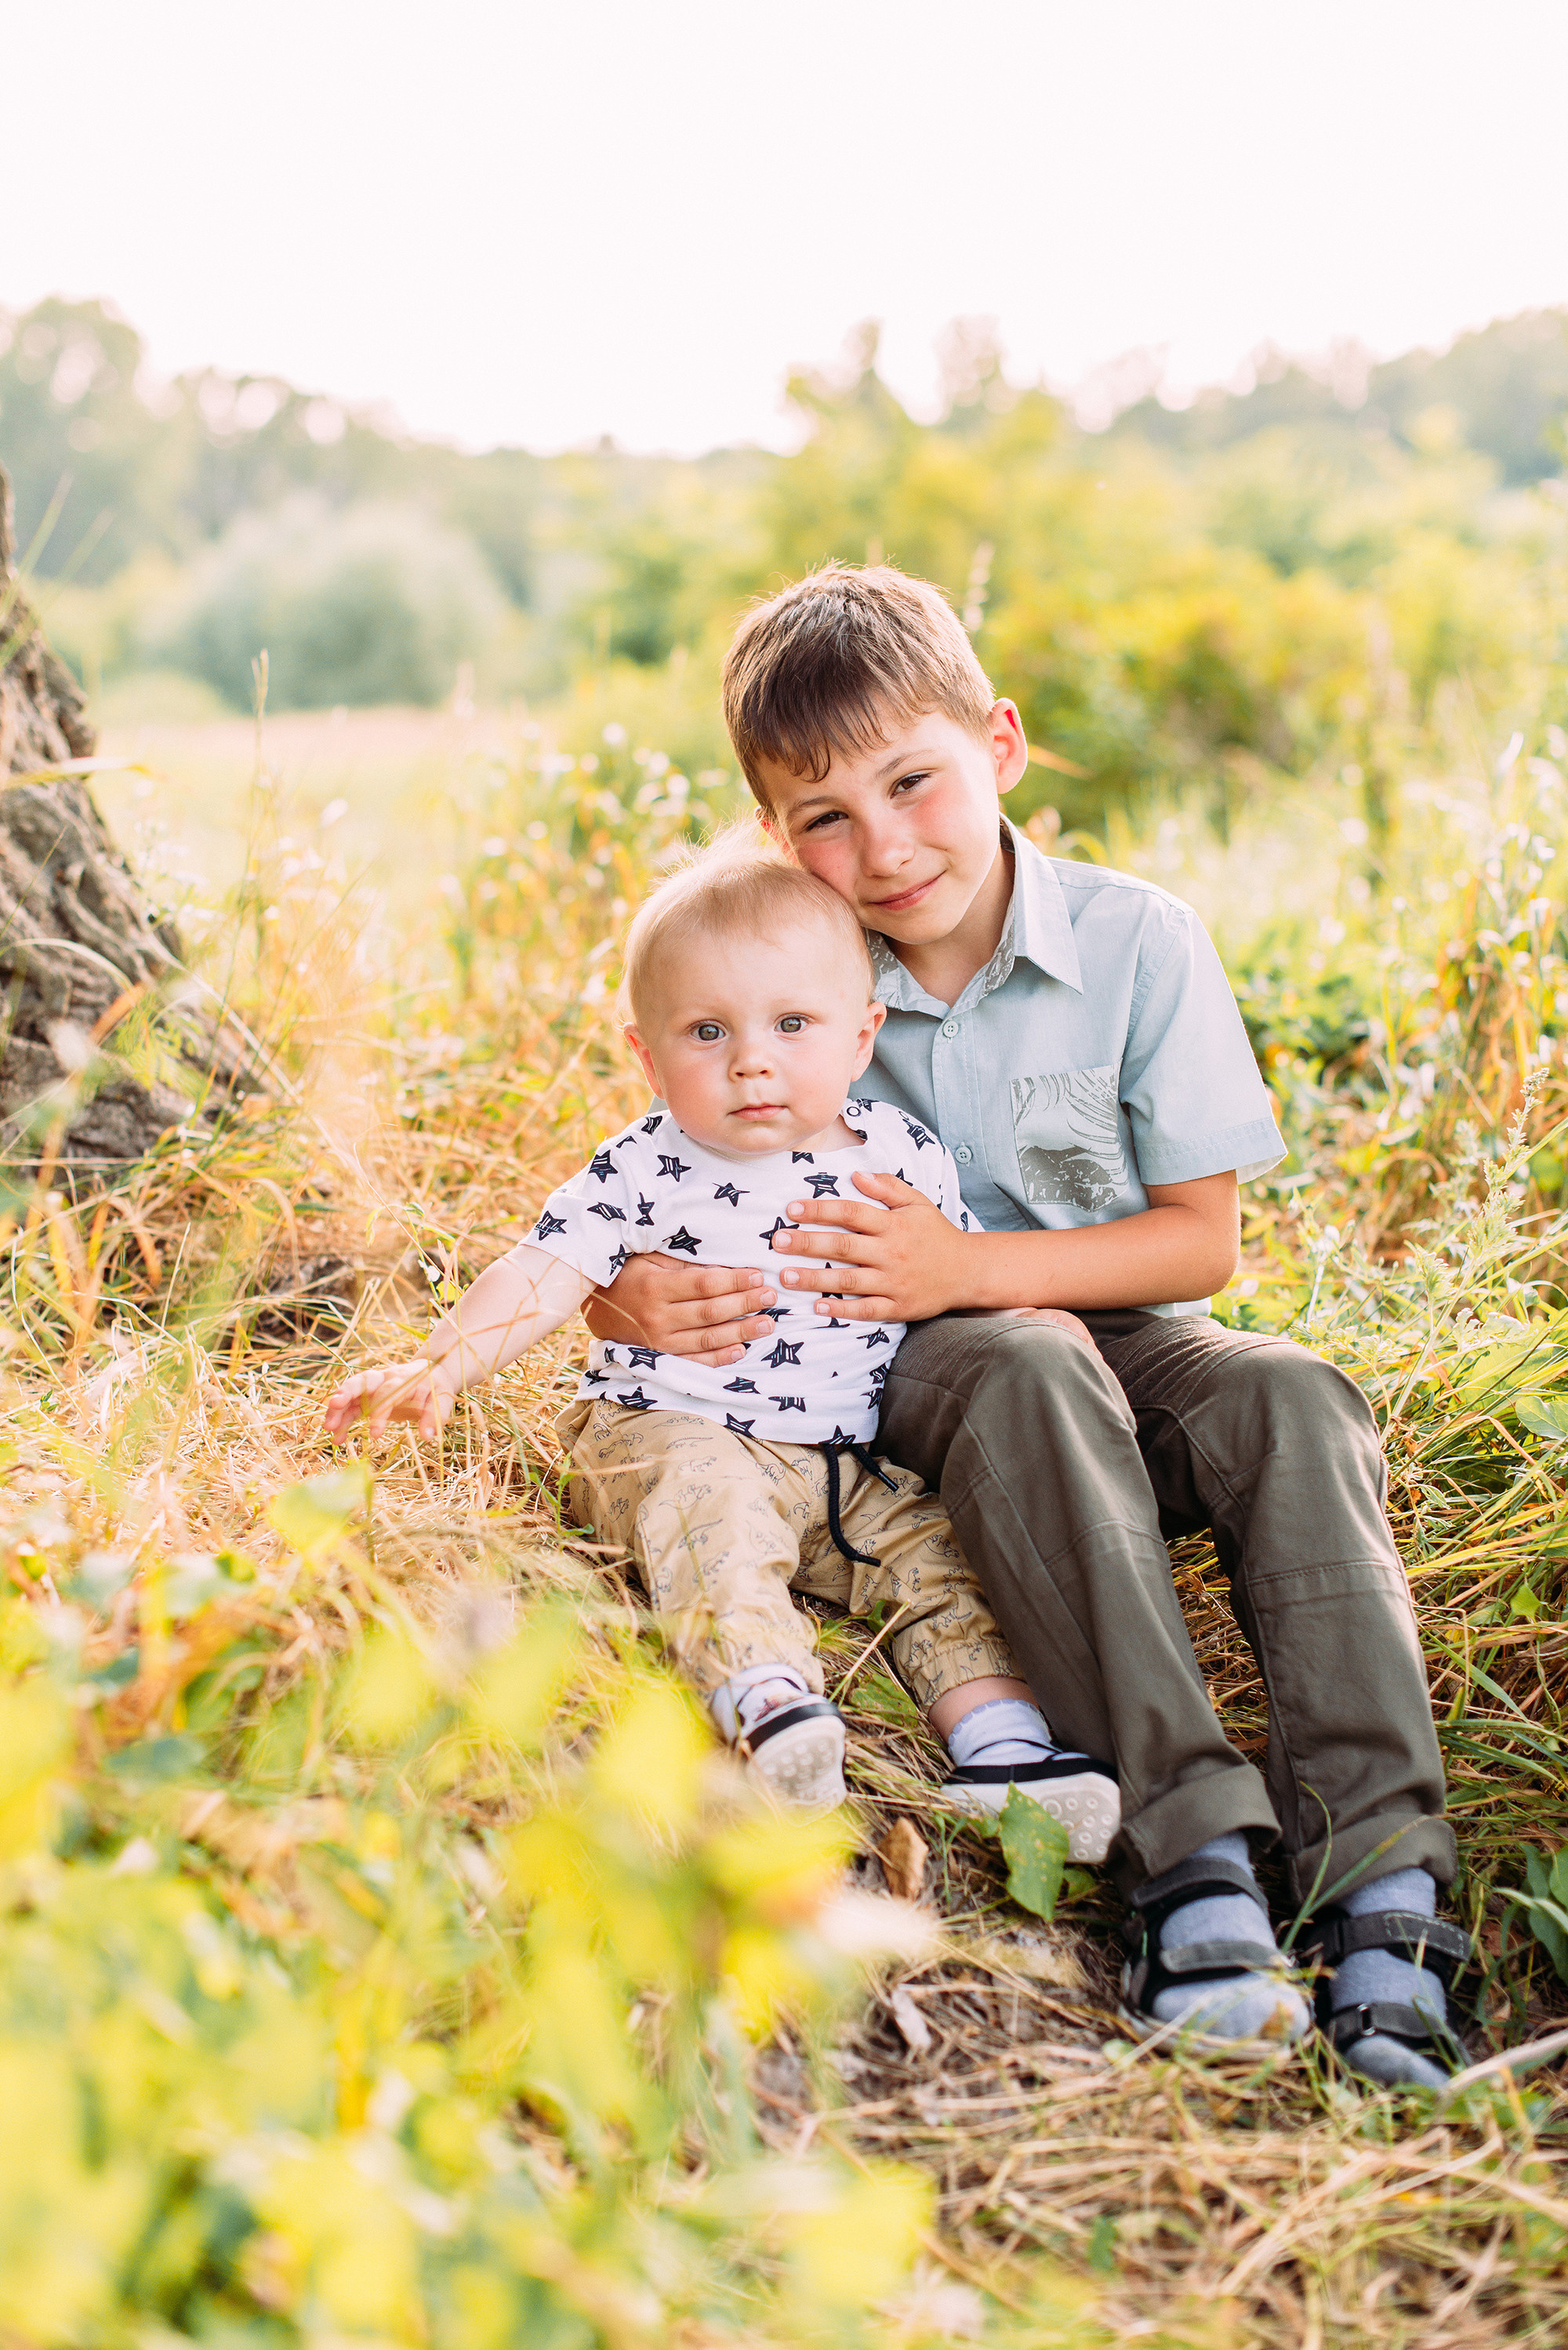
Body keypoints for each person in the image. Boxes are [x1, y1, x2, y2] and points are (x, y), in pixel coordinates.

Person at [589, 564, 1470, 2086]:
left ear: (997, 745)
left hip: (1112, 1330)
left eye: (912, 782)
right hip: (905, 1364)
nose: (883, 846)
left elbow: (1203, 1239)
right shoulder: (791, 980)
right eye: (824, 818)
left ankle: (1384, 1879)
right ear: (773, 837)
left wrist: (969, 1260)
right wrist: (632, 1295)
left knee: (1292, 1397)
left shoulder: (1136, 942)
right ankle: (1189, 1861)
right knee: (1023, 1354)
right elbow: (654, 1201)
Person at [324, 838, 1120, 1853]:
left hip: (846, 1460)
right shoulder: (647, 1161)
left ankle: (1005, 1749)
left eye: (793, 1024)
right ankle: (769, 1701)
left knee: (934, 1551)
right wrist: (440, 1363)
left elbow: (951, 1301)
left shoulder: (902, 1156)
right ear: (648, 1056)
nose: (752, 1059)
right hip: (669, 1426)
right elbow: (546, 1268)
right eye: (708, 1031)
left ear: (863, 1031)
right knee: (710, 1515)